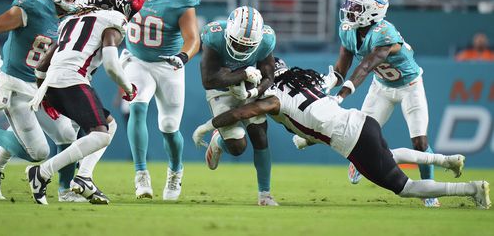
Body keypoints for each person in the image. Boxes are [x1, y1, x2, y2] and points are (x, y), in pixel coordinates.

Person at [192, 59, 491, 210]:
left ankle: (472, 189)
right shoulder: (306, 81)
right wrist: (308, 136)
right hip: (361, 120)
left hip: (351, 139)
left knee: (406, 188)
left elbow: (242, 113)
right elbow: (323, 95)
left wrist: (210, 125)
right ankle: (447, 159)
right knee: (386, 157)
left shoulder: (273, 99)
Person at [324, 0, 440, 207]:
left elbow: (366, 66)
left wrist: (341, 96)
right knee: (362, 137)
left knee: (420, 142)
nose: (350, 11)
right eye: (350, 5)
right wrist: (328, 83)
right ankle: (359, 163)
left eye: (356, 7)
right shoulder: (348, 29)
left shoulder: (385, 32)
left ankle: (430, 190)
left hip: (410, 86)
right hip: (381, 87)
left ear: (373, 11)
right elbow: (341, 68)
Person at [26, 0, 139, 205]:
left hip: (54, 82)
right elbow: (111, 65)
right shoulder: (112, 22)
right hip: (72, 79)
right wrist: (128, 87)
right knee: (100, 133)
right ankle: (42, 173)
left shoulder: (71, 20)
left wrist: (44, 92)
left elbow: (41, 66)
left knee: (109, 125)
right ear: (117, 3)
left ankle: (84, 177)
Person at [107, 0, 201, 200]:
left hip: (167, 65)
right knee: (136, 108)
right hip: (137, 60)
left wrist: (183, 57)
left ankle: (175, 172)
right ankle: (141, 174)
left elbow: (193, 39)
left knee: (169, 127)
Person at [0, 0, 86, 202]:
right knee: (38, 153)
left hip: (40, 87)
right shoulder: (32, 4)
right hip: (15, 84)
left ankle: (65, 191)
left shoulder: (67, 13)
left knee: (66, 132)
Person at [200, 6, 278, 206]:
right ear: (228, 33)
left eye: (248, 45)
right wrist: (243, 74)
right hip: (220, 90)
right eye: (237, 44)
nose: (242, 49)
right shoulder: (214, 35)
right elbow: (209, 80)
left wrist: (252, 92)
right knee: (237, 147)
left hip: (249, 88)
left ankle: (265, 195)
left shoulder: (267, 40)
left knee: (260, 136)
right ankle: (218, 142)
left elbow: (269, 77)